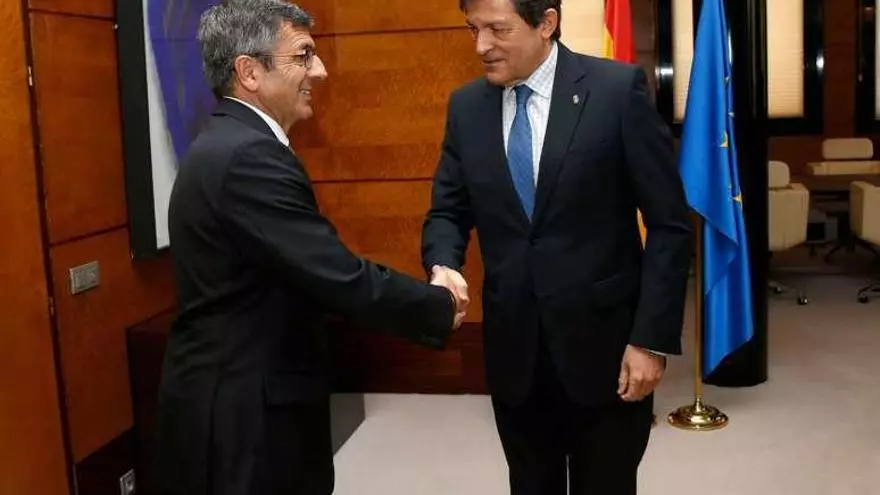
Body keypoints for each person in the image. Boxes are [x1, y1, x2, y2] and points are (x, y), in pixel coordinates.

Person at [154, 2, 468, 494]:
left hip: (246, 390)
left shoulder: (231, 141)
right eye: (303, 56)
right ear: (249, 72)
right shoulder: (248, 156)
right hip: (246, 414)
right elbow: (336, 275)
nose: (319, 71)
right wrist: (438, 306)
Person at [421, 0, 693, 493]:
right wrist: (443, 263)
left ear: (546, 23)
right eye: (473, 29)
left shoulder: (616, 92)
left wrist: (650, 340)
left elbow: (669, 225)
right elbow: (448, 211)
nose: (481, 45)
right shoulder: (467, 107)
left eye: (497, 29)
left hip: (608, 352)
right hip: (514, 354)